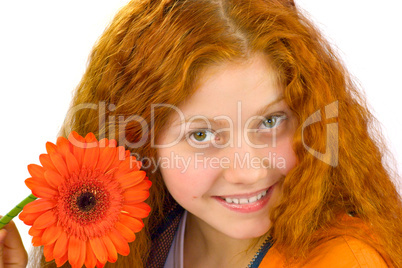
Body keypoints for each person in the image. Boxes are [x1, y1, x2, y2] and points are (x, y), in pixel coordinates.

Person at [3, 0, 402, 267]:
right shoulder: (152, 232)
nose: (247, 172)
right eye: (201, 136)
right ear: (140, 141)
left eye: (269, 121)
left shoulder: (344, 258)